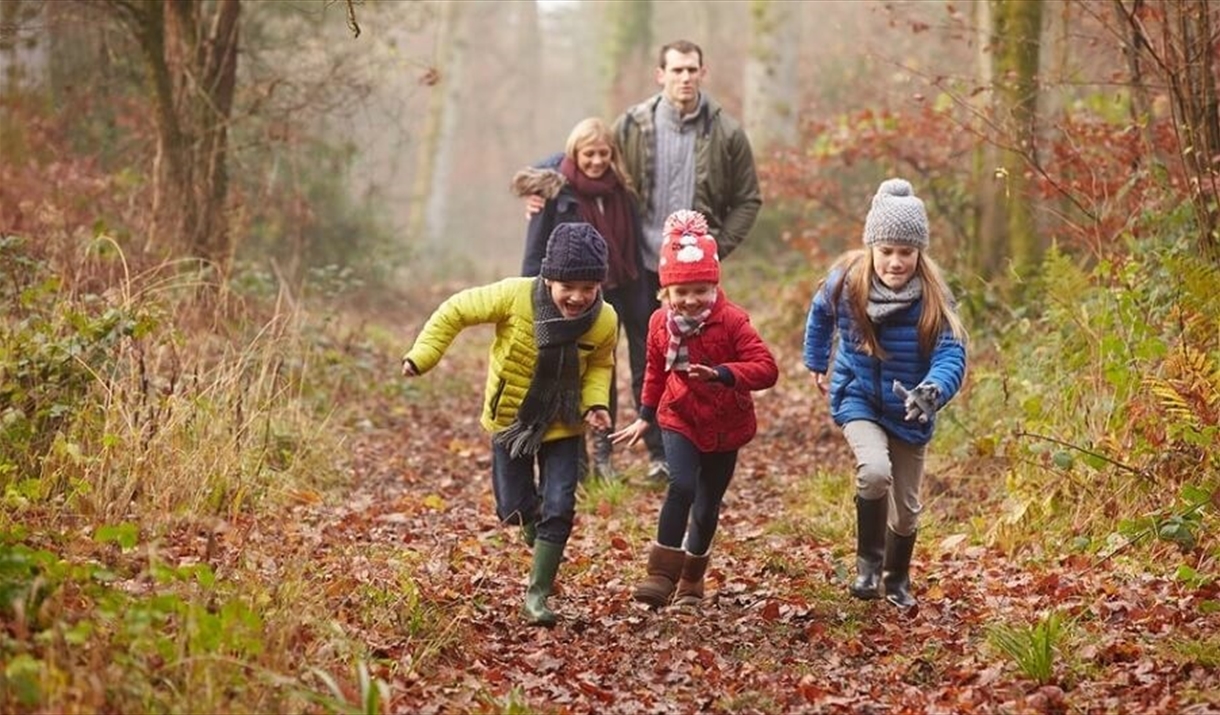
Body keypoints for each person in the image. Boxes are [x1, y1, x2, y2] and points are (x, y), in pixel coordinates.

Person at [525, 39, 764, 483]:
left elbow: (749, 198)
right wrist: (541, 184)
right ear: (661, 75)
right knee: (607, 357)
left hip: (689, 276)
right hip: (633, 266)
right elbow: (583, 153)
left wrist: (713, 249)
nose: (685, 78)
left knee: (669, 361)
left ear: (703, 73)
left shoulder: (726, 132)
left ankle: (666, 454)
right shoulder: (633, 125)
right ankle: (603, 454)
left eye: (692, 69)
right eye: (676, 70)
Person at [401, 223, 618, 626]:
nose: (578, 297)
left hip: (565, 425)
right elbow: (456, 310)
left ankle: (537, 595)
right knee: (513, 508)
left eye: (588, 287)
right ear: (549, 276)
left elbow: (600, 365)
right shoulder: (514, 295)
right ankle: (537, 535)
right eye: (568, 285)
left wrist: (595, 404)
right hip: (511, 421)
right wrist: (423, 356)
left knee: (560, 506)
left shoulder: (604, 320)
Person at [802, 178, 968, 609]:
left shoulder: (933, 298)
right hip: (857, 396)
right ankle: (868, 569)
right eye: (887, 251)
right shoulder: (846, 283)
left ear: (919, 253)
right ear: (872, 247)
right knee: (875, 471)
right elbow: (819, 314)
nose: (896, 262)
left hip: (911, 409)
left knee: (908, 510)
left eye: (906, 252)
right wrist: (818, 360)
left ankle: (896, 577)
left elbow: (952, 354)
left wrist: (932, 391)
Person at [611, 209, 778, 610]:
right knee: (681, 485)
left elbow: (766, 369)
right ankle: (661, 573)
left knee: (706, 505)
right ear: (665, 293)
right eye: (681, 293)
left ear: (714, 286)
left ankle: (691, 580)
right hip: (679, 415)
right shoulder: (658, 324)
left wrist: (723, 373)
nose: (690, 300)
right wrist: (644, 415)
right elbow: (654, 370)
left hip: (726, 424)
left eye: (701, 290)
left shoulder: (733, 322)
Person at [512, 117, 653, 481]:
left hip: (619, 293)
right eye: (589, 154)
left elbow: (631, 247)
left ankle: (604, 456)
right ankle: (576, 465)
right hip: (570, 300)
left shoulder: (621, 190)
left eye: (603, 153)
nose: (596, 161)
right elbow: (534, 252)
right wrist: (533, 299)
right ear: (575, 152)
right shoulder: (555, 191)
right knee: (572, 376)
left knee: (605, 373)